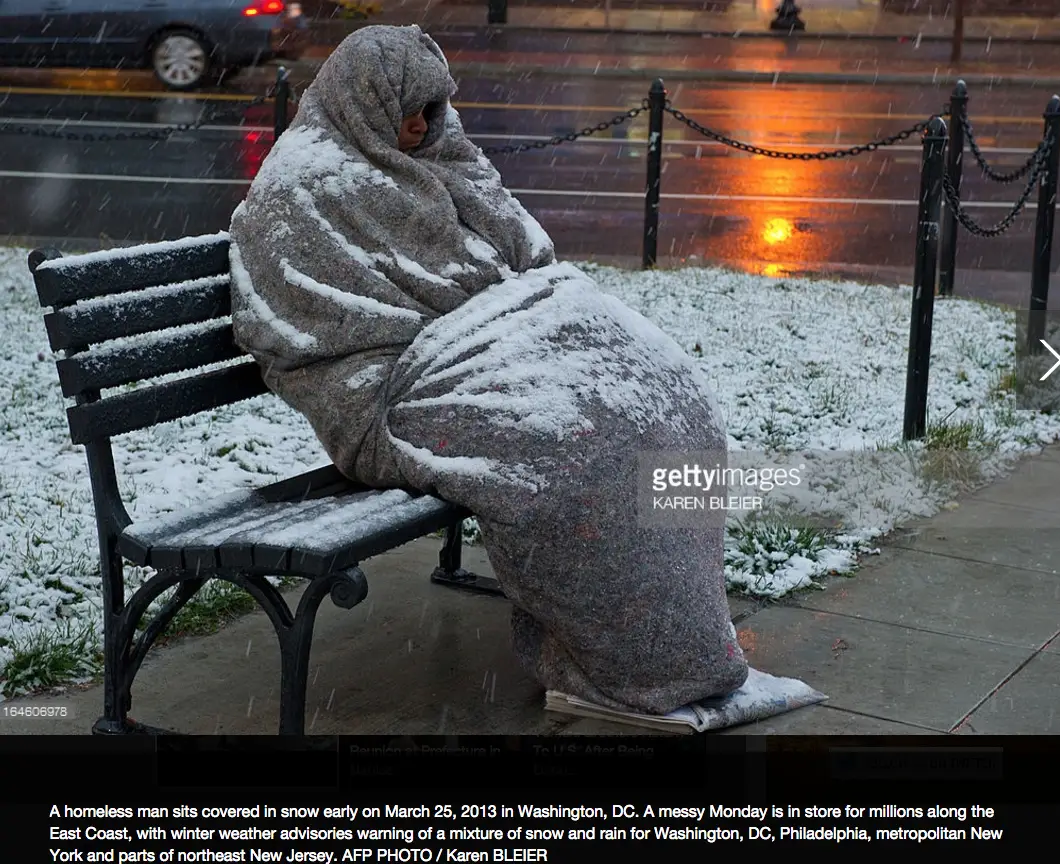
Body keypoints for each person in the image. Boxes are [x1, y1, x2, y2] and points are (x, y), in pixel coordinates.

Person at [228, 24, 748, 716]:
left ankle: (677, 643)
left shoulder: (444, 155)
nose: (420, 125)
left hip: (479, 343)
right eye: (406, 110)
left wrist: (510, 308)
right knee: (570, 449)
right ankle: (631, 664)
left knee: (664, 397)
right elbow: (324, 326)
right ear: (362, 104)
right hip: (389, 393)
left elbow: (523, 254)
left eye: (432, 108)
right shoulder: (305, 187)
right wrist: (478, 318)